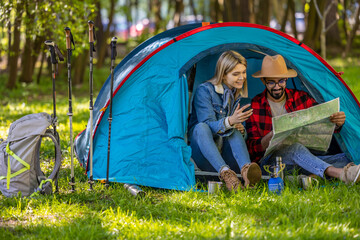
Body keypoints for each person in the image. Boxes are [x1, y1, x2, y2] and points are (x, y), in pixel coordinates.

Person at [246, 54, 360, 184]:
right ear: (263, 81)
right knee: (295, 149)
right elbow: (252, 150)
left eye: (281, 81)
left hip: (305, 158)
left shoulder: (300, 97)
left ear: (287, 78)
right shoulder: (255, 105)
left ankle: (311, 176)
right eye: (271, 82)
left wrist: (337, 123)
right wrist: (272, 136)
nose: (277, 87)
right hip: (273, 164)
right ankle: (340, 174)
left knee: (345, 158)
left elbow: (324, 122)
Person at [188, 50, 262, 192]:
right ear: (223, 74)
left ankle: (247, 173)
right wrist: (230, 121)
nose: (242, 78)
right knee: (201, 127)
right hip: (206, 158)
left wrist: (241, 130)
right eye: (236, 74)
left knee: (233, 130)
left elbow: (240, 136)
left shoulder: (238, 95)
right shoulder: (205, 90)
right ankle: (226, 174)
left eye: (243, 72)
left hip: (228, 158)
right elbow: (208, 125)